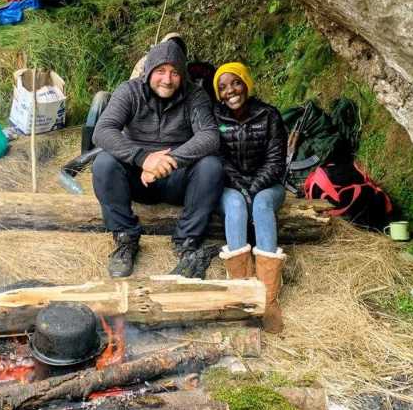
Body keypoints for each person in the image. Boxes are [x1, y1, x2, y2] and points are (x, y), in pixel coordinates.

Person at [92, 39, 223, 278]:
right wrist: (143, 159)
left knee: (211, 166)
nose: (167, 79)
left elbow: (210, 136)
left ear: (183, 75)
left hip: (177, 181)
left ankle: (186, 240)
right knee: (104, 163)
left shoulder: (195, 95)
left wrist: (169, 160)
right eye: (161, 71)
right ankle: (126, 239)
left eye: (174, 72)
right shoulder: (129, 91)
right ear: (149, 70)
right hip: (137, 180)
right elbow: (102, 130)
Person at [213, 62, 288, 333]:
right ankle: (242, 294)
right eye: (222, 87)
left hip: (267, 185)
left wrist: (254, 187)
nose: (230, 91)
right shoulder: (215, 117)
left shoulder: (269, 115)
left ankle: (268, 298)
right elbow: (218, 159)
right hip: (231, 185)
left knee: (261, 204)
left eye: (236, 83)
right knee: (235, 204)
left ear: (246, 83)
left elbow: (276, 161)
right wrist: (241, 188)